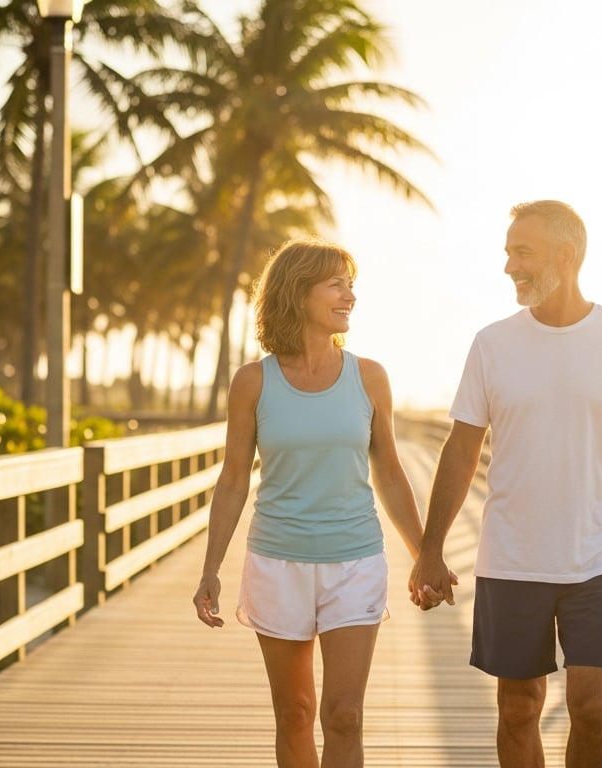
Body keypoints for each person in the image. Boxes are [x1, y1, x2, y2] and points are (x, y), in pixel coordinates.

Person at [409, 200, 602, 768]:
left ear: (566, 255)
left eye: (521, 253)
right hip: (512, 554)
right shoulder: (492, 343)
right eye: (508, 253)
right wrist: (430, 549)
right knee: (519, 706)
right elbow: (461, 450)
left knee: (591, 707)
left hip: (600, 552)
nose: (509, 266)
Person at [192, 238, 428, 768]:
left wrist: (423, 553)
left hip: (356, 560)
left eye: (352, 285)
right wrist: (210, 568)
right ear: (298, 293)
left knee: (344, 715)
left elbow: (389, 472)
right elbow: (232, 482)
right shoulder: (253, 382)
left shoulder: (369, 377)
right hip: (277, 563)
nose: (350, 296)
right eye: (336, 284)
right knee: (295, 713)